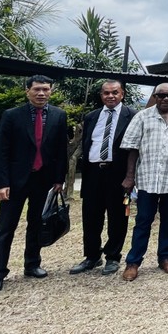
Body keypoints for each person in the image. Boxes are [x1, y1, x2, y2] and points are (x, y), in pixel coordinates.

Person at [0, 75, 68, 294]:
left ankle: (32, 264)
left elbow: (61, 151)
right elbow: (0, 151)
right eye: (37, 89)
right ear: (27, 91)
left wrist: (59, 179)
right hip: (15, 181)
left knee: (37, 224)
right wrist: (1, 183)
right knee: (5, 229)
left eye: (46, 90)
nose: (41, 93)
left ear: (51, 91)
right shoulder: (12, 116)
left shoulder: (59, 115)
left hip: (44, 179)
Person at [120, 83, 168, 281]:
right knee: (143, 221)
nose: (166, 99)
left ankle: (165, 258)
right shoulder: (142, 117)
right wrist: (129, 176)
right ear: (155, 97)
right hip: (148, 179)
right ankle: (133, 262)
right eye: (161, 96)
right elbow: (132, 148)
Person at [70, 80, 137, 277]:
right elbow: (87, 143)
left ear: (122, 94)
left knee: (118, 216)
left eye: (114, 92)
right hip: (92, 173)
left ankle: (113, 257)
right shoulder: (91, 117)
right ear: (101, 95)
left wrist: (130, 176)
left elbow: (135, 148)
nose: (110, 96)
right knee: (90, 216)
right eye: (106, 93)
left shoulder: (132, 116)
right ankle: (92, 256)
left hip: (119, 174)